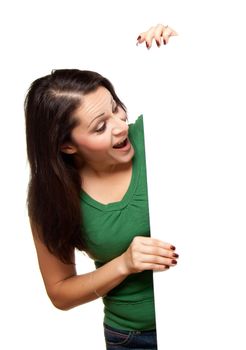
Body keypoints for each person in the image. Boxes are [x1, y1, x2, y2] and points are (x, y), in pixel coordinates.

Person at [25, 24, 176, 350]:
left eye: (115, 108)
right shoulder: (52, 197)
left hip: (214, 315)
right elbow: (60, 291)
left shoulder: (158, 133)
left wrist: (178, 48)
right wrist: (124, 263)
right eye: (100, 126)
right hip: (134, 338)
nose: (121, 125)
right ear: (66, 145)